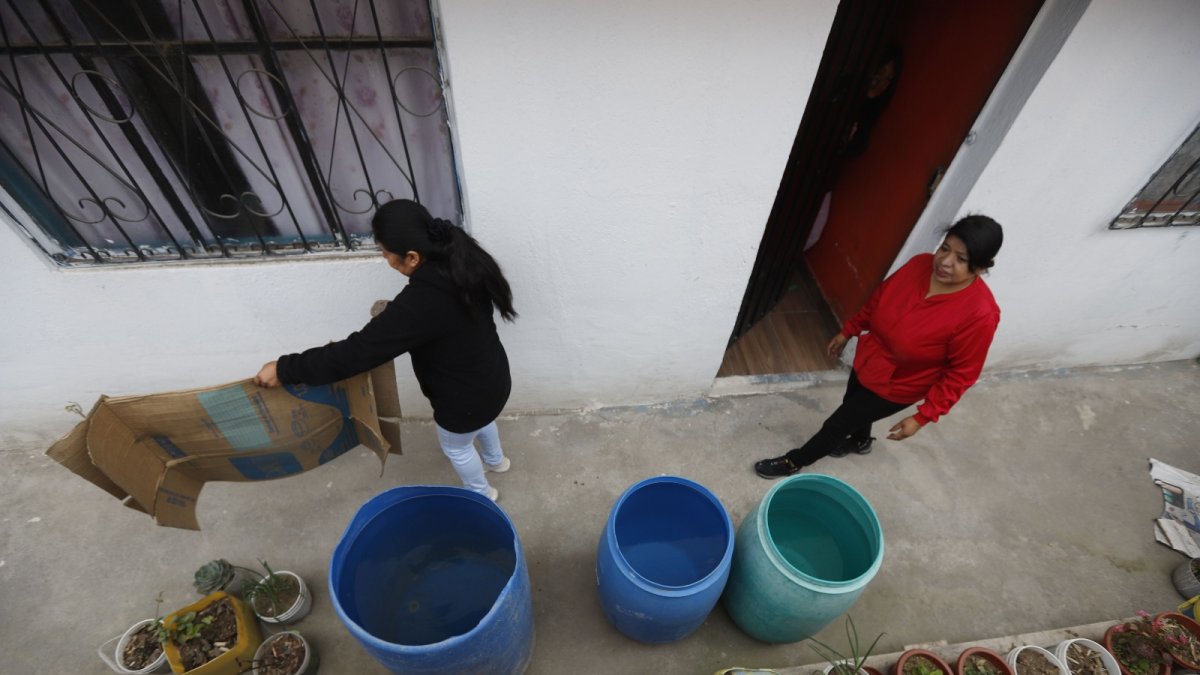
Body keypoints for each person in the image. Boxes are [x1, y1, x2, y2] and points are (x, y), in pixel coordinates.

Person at [254, 199, 517, 501]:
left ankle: (482, 493)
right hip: (494, 379)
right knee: (484, 421)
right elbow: (441, 319)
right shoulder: (461, 260)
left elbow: (354, 353)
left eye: (385, 253)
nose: (385, 259)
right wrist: (399, 317)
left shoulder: (421, 302)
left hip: (462, 400)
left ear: (413, 257)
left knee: (457, 447)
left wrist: (285, 368)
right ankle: (498, 461)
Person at [755, 214, 1003, 478]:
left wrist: (921, 417)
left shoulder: (980, 315)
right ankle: (861, 442)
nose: (944, 261)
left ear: (980, 267)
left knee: (837, 424)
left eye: (961, 259)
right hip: (871, 356)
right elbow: (879, 299)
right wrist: (849, 330)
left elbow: (961, 375)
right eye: (944, 248)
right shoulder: (919, 264)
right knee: (852, 404)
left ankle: (794, 462)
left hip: (898, 385)